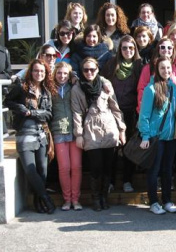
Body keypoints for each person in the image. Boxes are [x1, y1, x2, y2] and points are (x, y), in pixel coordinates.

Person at [71, 57, 126, 211]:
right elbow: (76, 113)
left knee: (108, 166)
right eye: (86, 70)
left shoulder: (105, 85)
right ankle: (95, 198)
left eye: (92, 69)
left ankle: (104, 197)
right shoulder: (77, 89)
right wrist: (79, 134)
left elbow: (115, 108)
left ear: (97, 70)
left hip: (108, 128)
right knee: (96, 167)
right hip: (90, 129)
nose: (89, 73)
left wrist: (122, 129)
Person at [5, 59, 56, 214]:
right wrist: (21, 108)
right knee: (30, 170)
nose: (38, 74)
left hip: (41, 133)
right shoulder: (22, 87)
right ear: (30, 72)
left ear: (46, 73)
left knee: (42, 170)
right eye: (35, 70)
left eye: (42, 71)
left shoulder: (46, 91)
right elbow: (8, 101)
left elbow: (48, 114)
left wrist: (31, 113)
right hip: (25, 134)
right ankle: (46, 198)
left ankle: (38, 203)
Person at [101, 35, 143, 194]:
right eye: (124, 48)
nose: (128, 51)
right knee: (112, 147)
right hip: (112, 111)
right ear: (120, 49)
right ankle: (110, 181)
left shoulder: (139, 65)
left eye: (131, 48)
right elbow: (101, 81)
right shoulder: (112, 64)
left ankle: (127, 180)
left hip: (131, 111)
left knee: (129, 148)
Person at [138, 56, 176, 215]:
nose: (166, 71)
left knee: (168, 170)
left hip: (170, 137)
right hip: (156, 137)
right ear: (157, 70)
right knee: (154, 171)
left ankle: (167, 200)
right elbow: (144, 115)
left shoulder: (173, 87)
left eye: (168, 68)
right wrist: (145, 136)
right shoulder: (151, 89)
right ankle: (154, 202)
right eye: (162, 68)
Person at [50, 62, 82, 211]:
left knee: (76, 167)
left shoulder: (74, 87)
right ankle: (67, 200)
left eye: (65, 73)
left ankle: (75, 199)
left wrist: (76, 79)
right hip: (58, 130)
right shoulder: (49, 88)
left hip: (74, 130)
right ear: (55, 74)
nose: (62, 76)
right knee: (64, 167)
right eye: (59, 73)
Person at [137, 37, 176, 114]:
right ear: (158, 49)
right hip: (154, 111)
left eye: (169, 48)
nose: (166, 50)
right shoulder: (149, 68)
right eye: (162, 47)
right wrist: (143, 112)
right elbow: (142, 90)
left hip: (172, 112)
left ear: (173, 50)